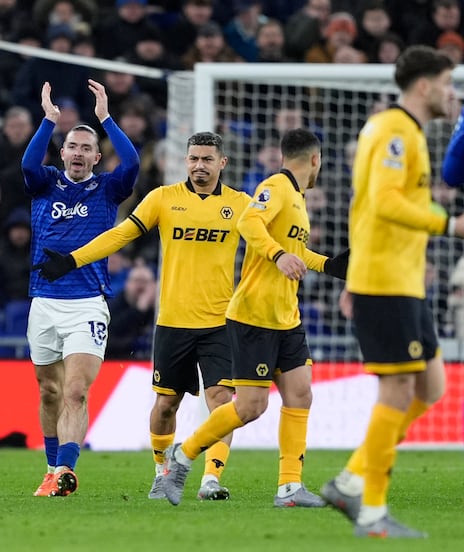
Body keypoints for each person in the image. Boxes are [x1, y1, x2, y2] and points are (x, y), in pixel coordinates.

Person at [34, 131, 252, 500]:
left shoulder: (241, 205)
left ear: (222, 163)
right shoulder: (163, 199)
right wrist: (73, 260)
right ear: (186, 161)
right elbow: (119, 236)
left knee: (221, 400)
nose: (200, 166)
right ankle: (162, 471)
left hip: (219, 321)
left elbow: (268, 244)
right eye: (194, 158)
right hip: (173, 320)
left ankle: (211, 479)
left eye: (208, 159)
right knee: (166, 404)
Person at [153, 129, 348, 508]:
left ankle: (289, 488)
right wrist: (277, 256)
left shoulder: (297, 199)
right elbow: (249, 225)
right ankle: (184, 454)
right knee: (250, 408)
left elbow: (295, 252)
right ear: (315, 159)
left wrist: (328, 265)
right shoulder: (275, 187)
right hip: (255, 314)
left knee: (301, 394)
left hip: (285, 315)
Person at [322, 45, 464, 539]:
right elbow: (382, 202)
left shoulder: (411, 132)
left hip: (400, 280)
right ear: (425, 86)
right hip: (385, 282)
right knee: (399, 388)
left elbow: (368, 210)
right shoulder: (393, 131)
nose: (454, 93)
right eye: (449, 83)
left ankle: (349, 480)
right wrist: (450, 224)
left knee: (432, 387)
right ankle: (373, 512)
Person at [23, 79, 140, 497]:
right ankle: (51, 466)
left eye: (87, 148)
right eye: (72, 146)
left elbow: (132, 165)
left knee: (75, 389)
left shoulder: (107, 188)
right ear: (63, 151)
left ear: (95, 156)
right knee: (49, 390)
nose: (78, 153)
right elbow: (27, 165)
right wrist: (48, 122)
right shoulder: (44, 183)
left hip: (88, 303)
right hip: (43, 303)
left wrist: (106, 118)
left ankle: (66, 471)